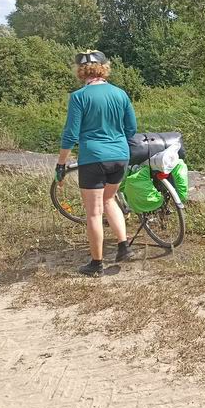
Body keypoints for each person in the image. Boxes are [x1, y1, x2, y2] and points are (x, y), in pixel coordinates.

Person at [55, 51, 138, 277]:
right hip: (120, 156)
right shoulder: (120, 94)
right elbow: (131, 128)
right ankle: (123, 247)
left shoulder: (79, 97)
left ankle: (96, 263)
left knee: (93, 212)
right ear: (104, 68)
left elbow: (70, 135)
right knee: (109, 199)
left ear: (81, 71)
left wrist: (61, 164)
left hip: (93, 158)